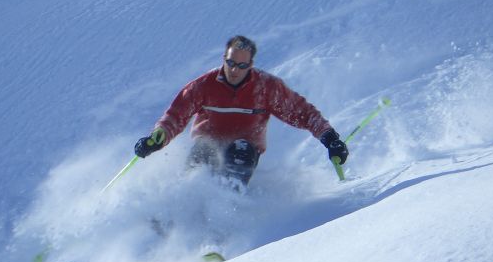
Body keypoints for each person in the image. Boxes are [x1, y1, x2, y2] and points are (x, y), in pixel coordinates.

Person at [134, 35, 348, 186]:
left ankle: (223, 218)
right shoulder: (203, 86)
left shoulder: (266, 88)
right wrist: (157, 139)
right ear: (224, 60)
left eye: (242, 65)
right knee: (202, 155)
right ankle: (174, 219)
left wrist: (330, 138)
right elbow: (176, 115)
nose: (235, 70)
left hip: (244, 150)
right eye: (230, 63)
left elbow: (303, 113)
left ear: (251, 64)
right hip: (208, 144)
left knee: (241, 149)